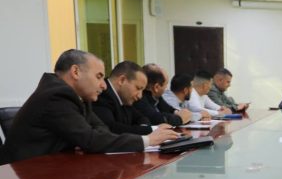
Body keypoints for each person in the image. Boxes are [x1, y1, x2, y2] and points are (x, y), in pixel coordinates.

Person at [4, 49, 177, 163]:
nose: (103, 85)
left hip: (53, 169)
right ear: (76, 72)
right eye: (99, 76)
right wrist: (148, 140)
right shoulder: (56, 96)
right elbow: (92, 140)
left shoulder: (79, 97)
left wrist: (91, 140)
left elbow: (100, 131)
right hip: (22, 178)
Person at [93, 61, 157, 135]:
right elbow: (111, 128)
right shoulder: (102, 95)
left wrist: (145, 128)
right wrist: (152, 130)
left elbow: (141, 118)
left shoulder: (124, 98)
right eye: (138, 88)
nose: (140, 96)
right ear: (122, 80)